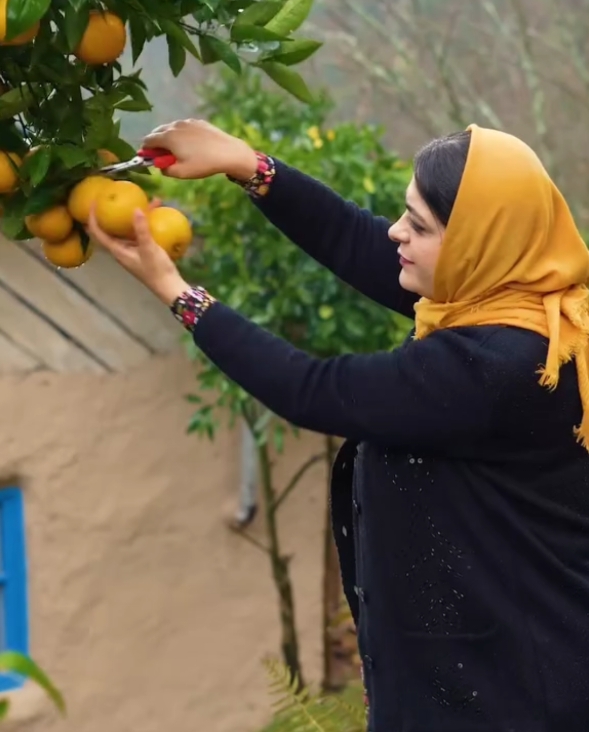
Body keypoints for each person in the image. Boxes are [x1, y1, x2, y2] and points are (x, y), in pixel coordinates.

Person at [88, 119, 589, 732]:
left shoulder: (500, 366)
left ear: (474, 245)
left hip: (505, 698)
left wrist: (174, 290)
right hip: (486, 677)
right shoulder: (521, 296)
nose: (397, 233)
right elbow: (364, 244)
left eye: (420, 226)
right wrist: (246, 164)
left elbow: (313, 391)